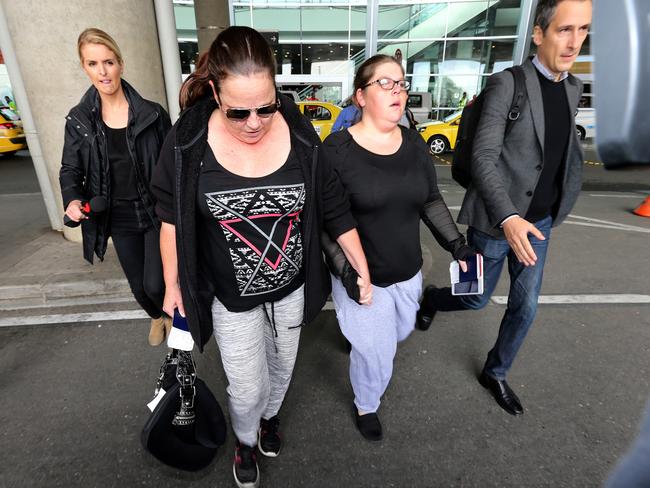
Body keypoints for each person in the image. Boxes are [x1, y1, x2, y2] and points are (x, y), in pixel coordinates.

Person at [150, 26, 370, 488]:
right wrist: (172, 287)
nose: (254, 121)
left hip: (291, 290)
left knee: (282, 371)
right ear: (214, 91)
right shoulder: (187, 141)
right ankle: (246, 439)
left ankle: (270, 419)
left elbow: (333, 206)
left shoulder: (301, 133)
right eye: (238, 111)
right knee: (248, 387)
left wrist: (360, 266)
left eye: (266, 106)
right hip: (229, 298)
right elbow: (170, 218)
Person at [416, 0, 592, 416]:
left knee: (525, 305)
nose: (574, 42)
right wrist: (508, 217)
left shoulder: (572, 88)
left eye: (583, 30)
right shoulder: (507, 84)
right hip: (496, 223)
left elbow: (558, 153)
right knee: (474, 298)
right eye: (564, 30)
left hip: (540, 224)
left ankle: (495, 371)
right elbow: (483, 157)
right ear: (538, 34)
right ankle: (432, 300)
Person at [322, 54, 475, 441]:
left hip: (408, 270)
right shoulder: (336, 150)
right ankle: (366, 403)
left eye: (401, 83)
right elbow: (325, 221)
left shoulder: (413, 142)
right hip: (363, 278)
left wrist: (457, 245)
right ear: (360, 96)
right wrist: (347, 272)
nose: (398, 91)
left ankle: (362, 345)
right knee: (375, 353)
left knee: (400, 331)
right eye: (385, 83)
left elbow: (430, 200)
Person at [59, 28, 171, 346]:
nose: (103, 71)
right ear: (84, 67)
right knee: (139, 288)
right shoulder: (79, 120)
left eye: (108, 62)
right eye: (93, 64)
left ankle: (172, 314)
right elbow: (70, 169)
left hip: (154, 212)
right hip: (117, 215)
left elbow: (172, 164)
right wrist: (72, 199)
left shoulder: (152, 114)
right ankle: (156, 316)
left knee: (154, 284)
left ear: (120, 63)